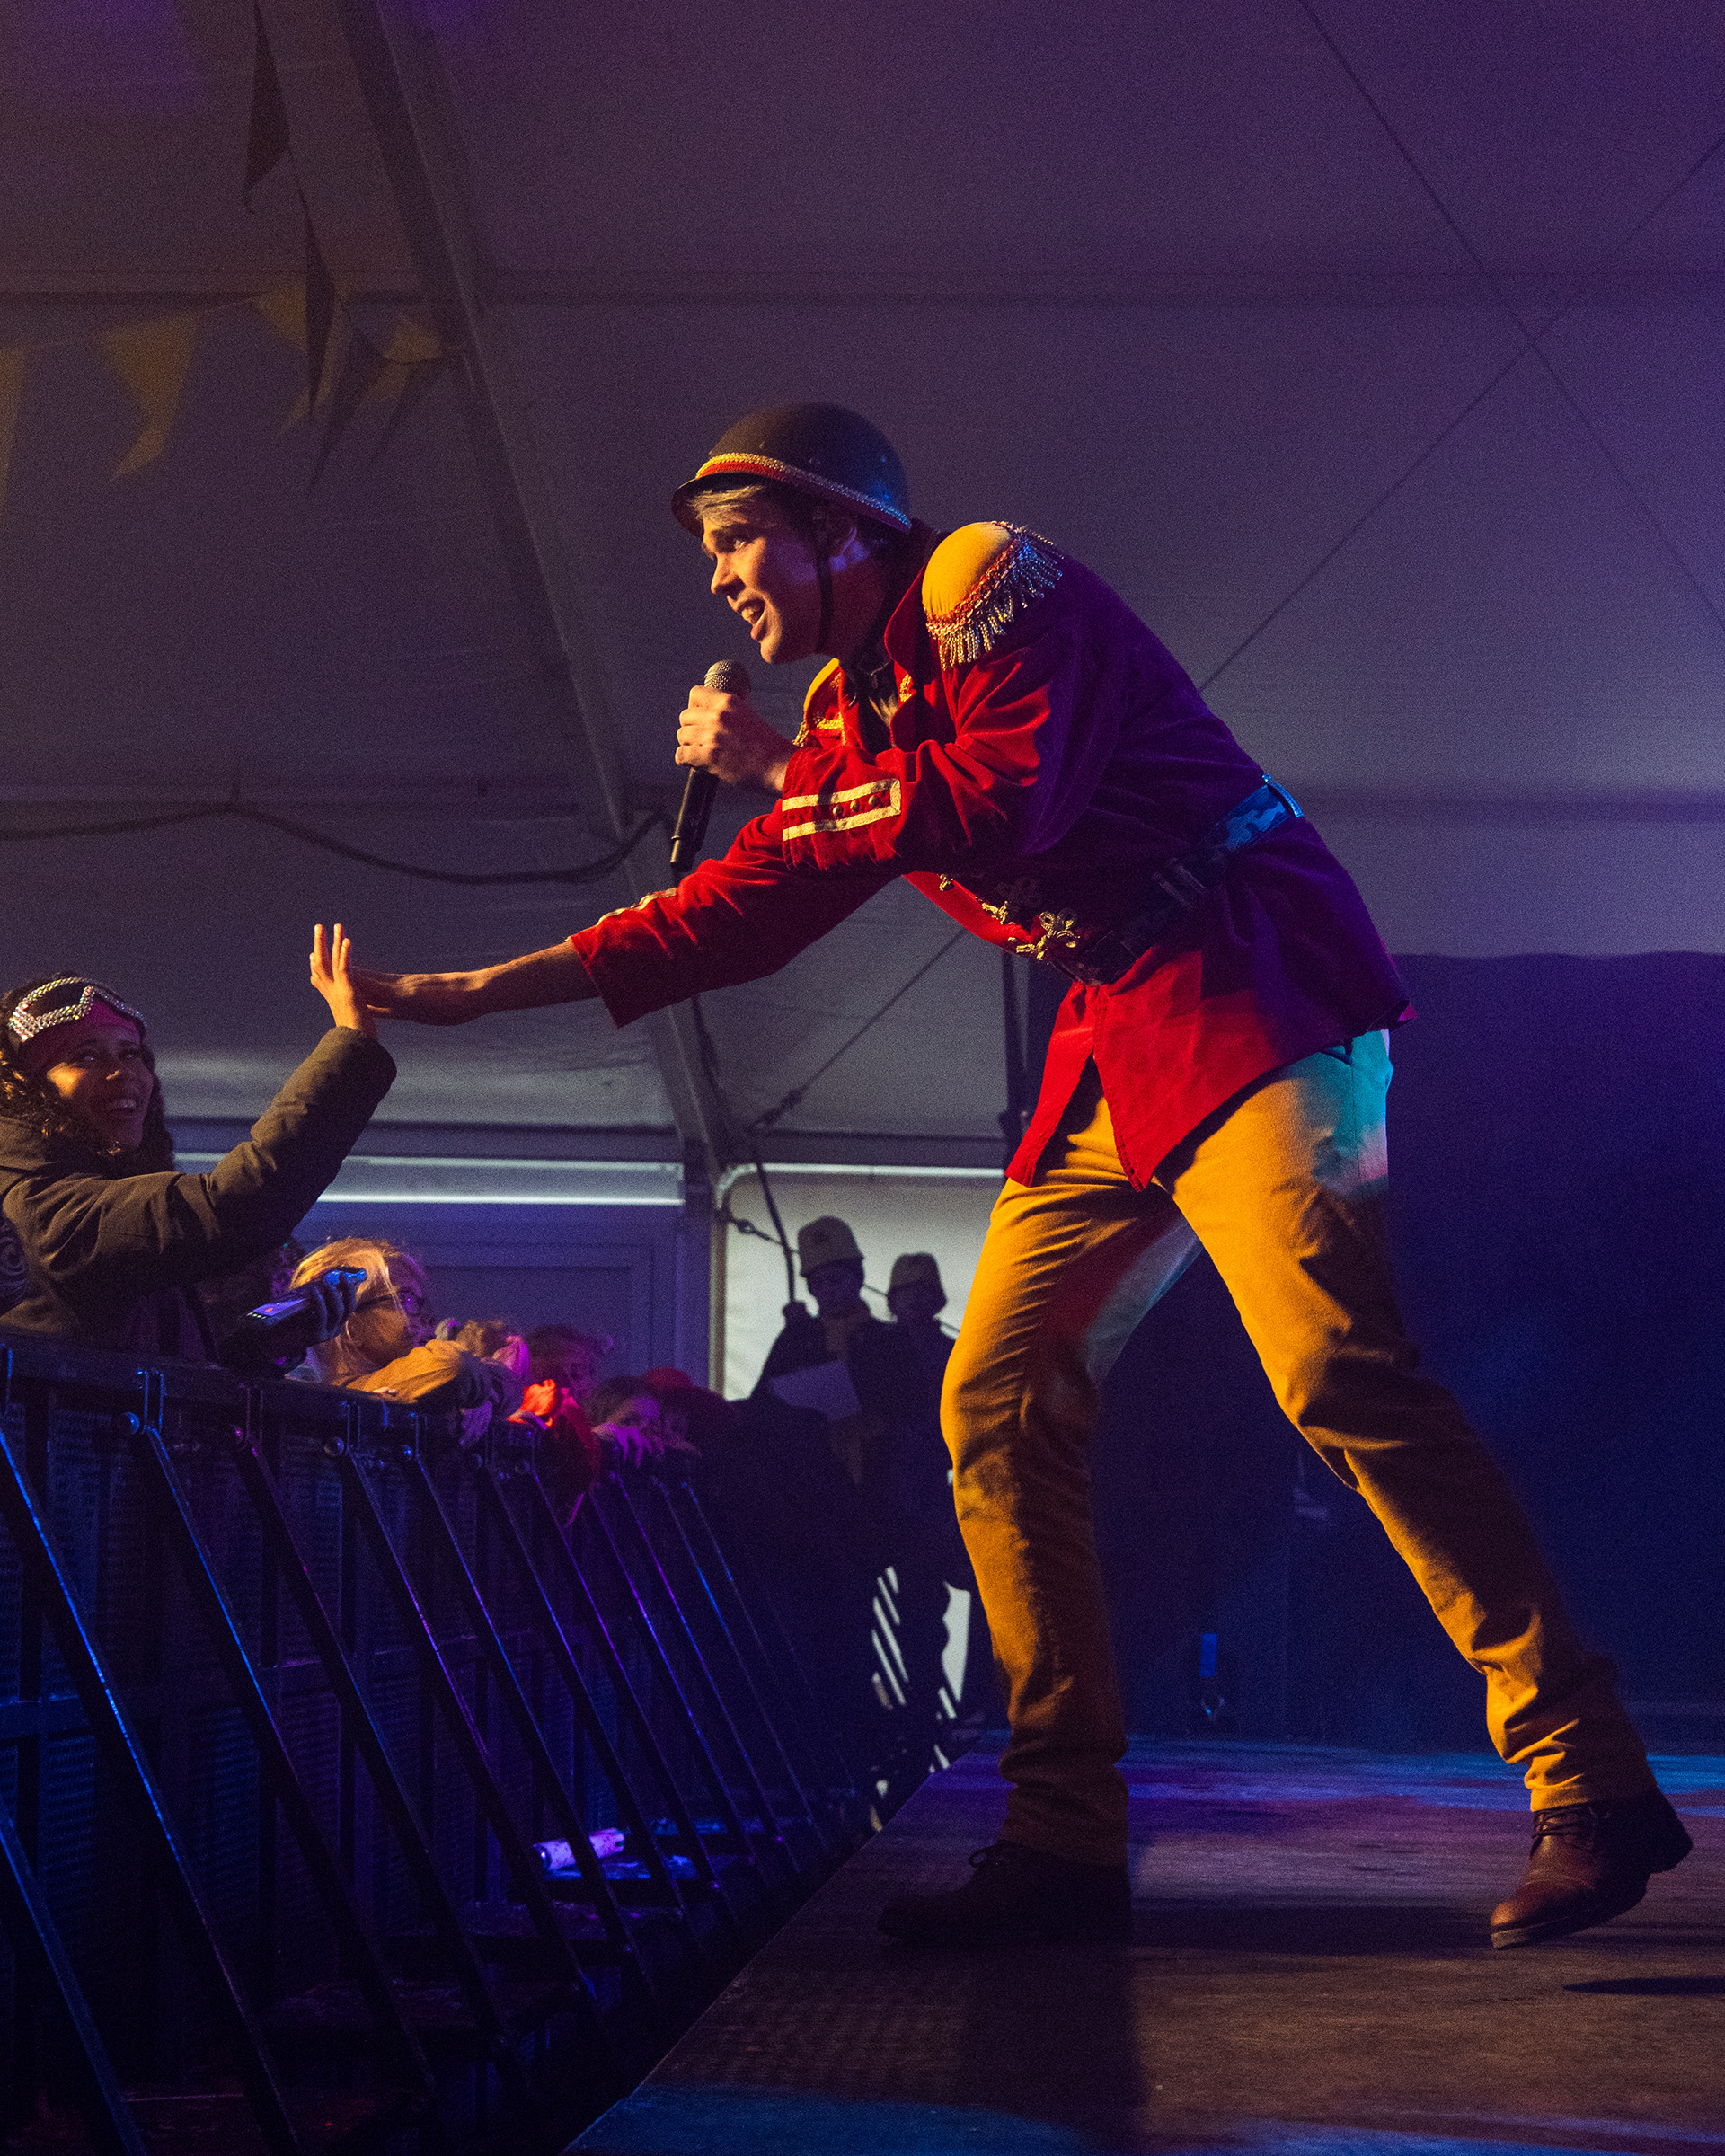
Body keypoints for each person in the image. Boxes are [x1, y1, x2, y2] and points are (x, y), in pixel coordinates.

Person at [352, 402, 1690, 1951]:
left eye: (738, 540)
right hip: (1115, 1025)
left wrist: (786, 771)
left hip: (1250, 975)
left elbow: (1006, 802)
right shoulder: (848, 713)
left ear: (841, 523)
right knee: (989, 1404)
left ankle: (1589, 1772)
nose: (718, 580)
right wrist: (472, 994)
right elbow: (738, 912)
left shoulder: (982, 576)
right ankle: (1059, 1836)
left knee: (1337, 1372)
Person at [0, 929, 391, 1369]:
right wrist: (351, 1044)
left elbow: (141, 1368)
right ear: (24, 1089)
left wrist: (263, 1344)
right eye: (86, 1057)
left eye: (130, 1053)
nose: (123, 1073)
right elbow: (233, 1208)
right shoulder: (41, 1206)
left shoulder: (84, 1194)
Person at [295, 1237, 522, 1423]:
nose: (427, 1318)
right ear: (350, 1327)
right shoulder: (352, 1390)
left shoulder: (414, 1377)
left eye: (422, 1303)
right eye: (406, 1299)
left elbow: (509, 1385)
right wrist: (479, 1391)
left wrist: (478, 1397)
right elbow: (452, 1365)